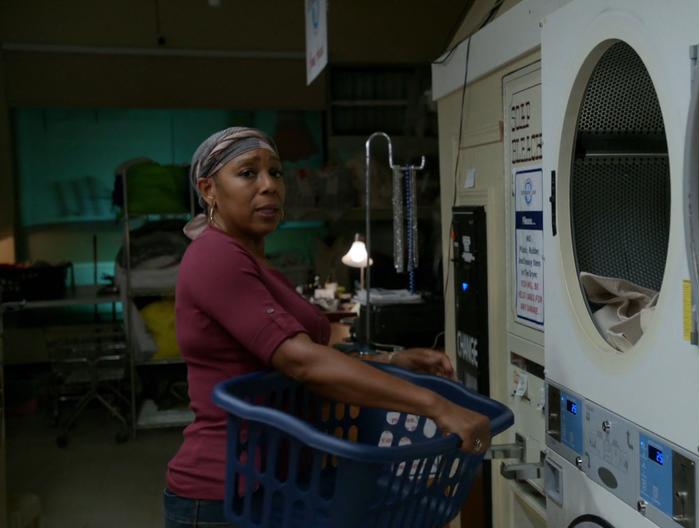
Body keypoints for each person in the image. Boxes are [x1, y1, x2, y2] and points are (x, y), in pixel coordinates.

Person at [164, 127, 490, 528]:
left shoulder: (256, 262)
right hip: (226, 493)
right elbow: (301, 362)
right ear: (208, 189)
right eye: (248, 173)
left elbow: (293, 357)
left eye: (276, 173)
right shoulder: (214, 255)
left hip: (281, 484)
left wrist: (390, 359)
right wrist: (437, 407)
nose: (269, 186)